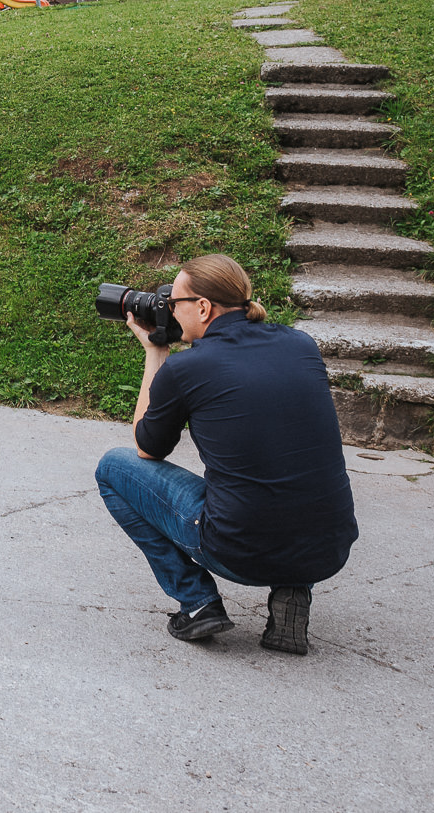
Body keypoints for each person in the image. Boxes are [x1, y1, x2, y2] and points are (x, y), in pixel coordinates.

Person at [95, 254, 358, 655]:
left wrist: (155, 352)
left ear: (202, 307)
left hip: (238, 550)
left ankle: (197, 601)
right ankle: (291, 593)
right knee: (287, 463)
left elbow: (147, 448)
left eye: (174, 303)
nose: (169, 310)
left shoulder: (189, 368)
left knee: (114, 467)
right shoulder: (300, 344)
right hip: (327, 548)